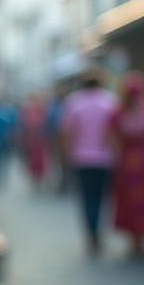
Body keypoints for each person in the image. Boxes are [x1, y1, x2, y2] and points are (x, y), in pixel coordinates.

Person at [107, 72, 144, 258]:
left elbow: (109, 135)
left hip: (127, 160)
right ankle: (142, 241)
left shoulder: (119, 110)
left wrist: (120, 152)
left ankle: (134, 241)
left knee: (129, 200)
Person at [59, 67, 118, 253]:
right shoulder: (111, 102)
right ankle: (98, 233)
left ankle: (91, 234)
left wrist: (65, 156)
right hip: (106, 158)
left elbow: (66, 133)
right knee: (102, 198)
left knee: (87, 198)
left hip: (81, 158)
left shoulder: (74, 102)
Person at [20, 94, 48, 187]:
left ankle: (39, 178)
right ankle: (35, 178)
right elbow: (25, 126)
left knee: (40, 160)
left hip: (40, 140)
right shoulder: (28, 112)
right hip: (32, 140)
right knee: (33, 160)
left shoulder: (42, 112)